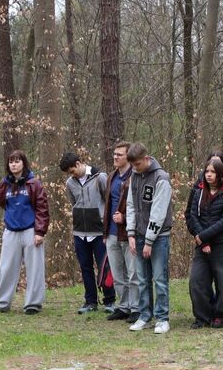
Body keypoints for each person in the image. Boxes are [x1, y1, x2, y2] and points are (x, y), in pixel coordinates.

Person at [0, 150, 49, 315]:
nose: (13, 164)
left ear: (24, 163)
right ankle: (0, 303)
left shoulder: (34, 183)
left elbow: (42, 208)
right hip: (11, 231)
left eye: (17, 161)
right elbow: (2, 202)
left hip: (30, 230)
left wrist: (40, 232)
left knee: (35, 269)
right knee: (6, 268)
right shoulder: (4, 184)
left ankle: (33, 304)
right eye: (11, 162)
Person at [125, 143, 174, 334]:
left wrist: (149, 241)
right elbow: (130, 205)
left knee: (159, 278)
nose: (135, 168)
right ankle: (144, 315)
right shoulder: (134, 176)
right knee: (142, 278)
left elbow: (159, 212)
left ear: (146, 159)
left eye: (137, 164)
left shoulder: (161, 178)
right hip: (137, 234)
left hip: (158, 237)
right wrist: (130, 233)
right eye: (133, 165)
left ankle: (162, 318)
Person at [60, 151, 115, 314]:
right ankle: (90, 301)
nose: (71, 175)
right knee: (85, 267)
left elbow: (109, 201)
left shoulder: (100, 178)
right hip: (79, 232)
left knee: (104, 266)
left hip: (98, 232)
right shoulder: (70, 183)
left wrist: (107, 226)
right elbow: (73, 202)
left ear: (78, 164)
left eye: (72, 171)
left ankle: (110, 300)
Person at [186, 157, 223, 328]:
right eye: (206, 171)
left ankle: (221, 315)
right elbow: (192, 215)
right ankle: (202, 316)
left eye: (213, 172)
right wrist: (202, 241)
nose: (208, 175)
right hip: (202, 245)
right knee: (197, 280)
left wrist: (204, 236)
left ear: (220, 174)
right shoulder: (199, 191)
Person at [102, 141, 139, 322]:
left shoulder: (136, 176)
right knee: (117, 274)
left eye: (120, 154)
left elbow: (140, 207)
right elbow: (107, 205)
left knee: (133, 273)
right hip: (111, 233)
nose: (116, 157)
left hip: (128, 233)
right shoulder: (111, 177)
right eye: (114, 154)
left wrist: (124, 219)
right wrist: (105, 232)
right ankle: (123, 306)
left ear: (129, 157)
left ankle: (136, 308)